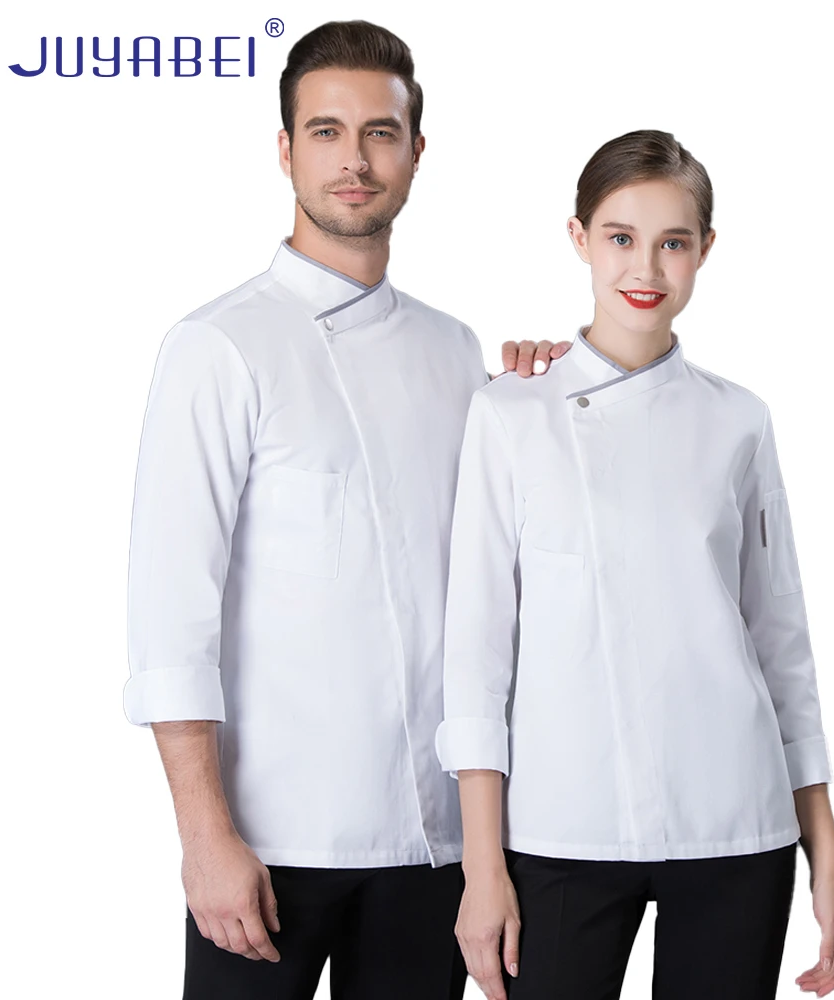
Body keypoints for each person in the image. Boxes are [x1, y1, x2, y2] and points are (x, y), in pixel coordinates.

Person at [123, 20, 569, 1000]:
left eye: (380, 132)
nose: (354, 160)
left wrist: (543, 399)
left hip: (436, 843)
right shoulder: (218, 346)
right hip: (271, 842)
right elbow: (169, 620)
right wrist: (204, 839)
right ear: (285, 150)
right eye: (326, 132)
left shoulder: (455, 349)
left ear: (416, 152)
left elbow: (492, 571)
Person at [436, 129, 834, 1000]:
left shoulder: (740, 420)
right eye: (621, 237)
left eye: (673, 242)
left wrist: (827, 855)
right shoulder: (510, 414)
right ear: (579, 238)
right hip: (562, 825)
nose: (646, 267)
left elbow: (781, 643)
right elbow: (476, 655)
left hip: (736, 823)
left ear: (706, 249)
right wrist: (483, 868)